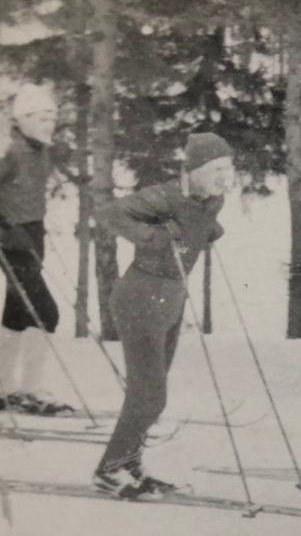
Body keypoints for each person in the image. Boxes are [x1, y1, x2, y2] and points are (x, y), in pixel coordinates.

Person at [92, 133, 234, 498]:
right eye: (218, 168)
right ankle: (110, 470)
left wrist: (208, 231)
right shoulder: (165, 195)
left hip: (170, 300)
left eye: (229, 167)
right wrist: (154, 236)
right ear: (197, 169)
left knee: (149, 391)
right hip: (140, 296)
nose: (226, 176)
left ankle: (129, 464)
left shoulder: (211, 200)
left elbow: (201, 224)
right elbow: (108, 214)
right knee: (151, 394)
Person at [0, 83, 72, 415]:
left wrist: (36, 227)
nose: (49, 124)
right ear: (24, 119)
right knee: (45, 311)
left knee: (17, 314)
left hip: (32, 234)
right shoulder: (9, 150)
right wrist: (7, 229)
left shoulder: (40, 149)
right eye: (43, 118)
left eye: (53, 117)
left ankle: (6, 390)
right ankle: (29, 390)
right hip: (11, 239)